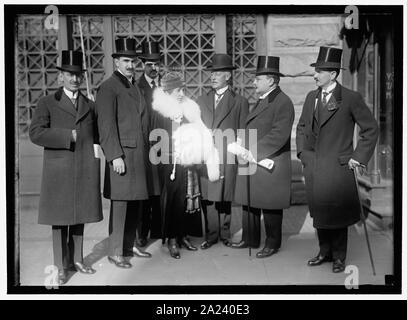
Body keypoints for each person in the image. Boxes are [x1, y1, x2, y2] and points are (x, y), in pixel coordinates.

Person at [296, 46, 379, 273]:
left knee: (338, 213)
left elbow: (370, 129)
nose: (315, 74)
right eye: (316, 70)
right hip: (313, 165)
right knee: (320, 212)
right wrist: (302, 153)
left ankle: (339, 257)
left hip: (338, 166)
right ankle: (324, 252)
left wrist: (358, 157)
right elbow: (302, 127)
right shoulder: (311, 97)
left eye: (320, 71)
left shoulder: (350, 98)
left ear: (332, 74)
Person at [29, 50, 103, 285]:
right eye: (69, 74)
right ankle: (60, 266)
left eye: (77, 74)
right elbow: (35, 133)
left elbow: (99, 135)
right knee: (60, 220)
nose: (74, 79)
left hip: (83, 168)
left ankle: (77, 260)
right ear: (60, 76)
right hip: (58, 171)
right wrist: (66, 136)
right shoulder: (47, 103)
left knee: (81, 215)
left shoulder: (89, 105)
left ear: (82, 77)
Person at [151, 71, 220, 259]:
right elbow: (156, 137)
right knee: (173, 201)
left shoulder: (190, 109)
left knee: (186, 200)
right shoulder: (160, 111)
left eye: (182, 89)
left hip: (188, 162)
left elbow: (199, 132)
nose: (181, 93)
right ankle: (172, 239)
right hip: (170, 164)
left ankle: (184, 236)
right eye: (176, 90)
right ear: (167, 92)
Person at [96, 38, 151, 269]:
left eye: (133, 61)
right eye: (126, 60)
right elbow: (106, 126)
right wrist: (114, 155)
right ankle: (115, 251)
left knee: (134, 204)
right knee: (120, 205)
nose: (131, 65)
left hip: (138, 155)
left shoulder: (134, 86)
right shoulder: (109, 87)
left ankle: (128, 246)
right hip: (122, 156)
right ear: (117, 61)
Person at [233, 56, 294, 259]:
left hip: (269, 161)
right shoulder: (265, 99)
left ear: (271, 80)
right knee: (250, 201)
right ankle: (250, 239)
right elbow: (253, 126)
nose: (254, 82)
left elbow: (279, 134)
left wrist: (253, 152)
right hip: (254, 158)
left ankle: (272, 243)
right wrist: (241, 143)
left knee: (270, 205)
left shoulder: (283, 102)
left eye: (258, 79)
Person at [196, 53, 249, 250]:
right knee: (208, 196)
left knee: (225, 196)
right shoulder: (201, 100)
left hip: (227, 154)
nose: (213, 76)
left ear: (228, 76)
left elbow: (242, 131)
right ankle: (211, 235)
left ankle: (225, 234)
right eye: (212, 72)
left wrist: (238, 153)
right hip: (206, 154)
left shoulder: (240, 101)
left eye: (218, 73)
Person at [135, 41, 163, 248]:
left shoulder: (166, 87)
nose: (154, 68)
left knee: (161, 190)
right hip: (144, 147)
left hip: (164, 146)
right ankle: (141, 233)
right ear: (142, 65)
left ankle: (160, 230)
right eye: (149, 64)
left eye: (157, 64)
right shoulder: (136, 88)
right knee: (145, 192)